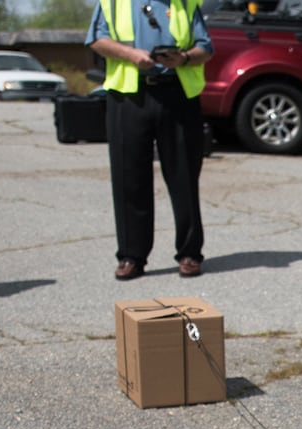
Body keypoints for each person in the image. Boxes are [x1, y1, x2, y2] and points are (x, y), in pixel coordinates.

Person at [86, 0, 212, 280]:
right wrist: (130, 54)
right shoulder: (113, 3)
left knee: (184, 177)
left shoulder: (186, 4)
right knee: (128, 177)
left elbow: (206, 47)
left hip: (177, 95)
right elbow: (96, 39)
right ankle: (132, 256)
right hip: (129, 97)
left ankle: (190, 253)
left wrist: (184, 58)